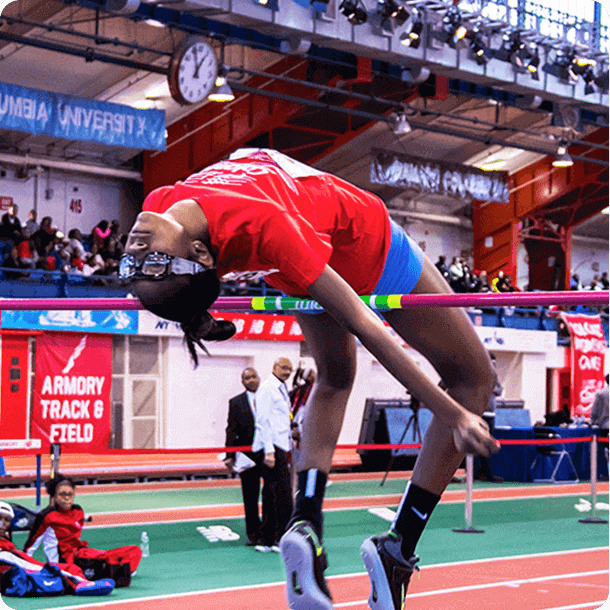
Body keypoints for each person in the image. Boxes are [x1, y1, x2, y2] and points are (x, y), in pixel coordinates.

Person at [121, 148, 499, 610]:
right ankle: (398, 547)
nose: (139, 254)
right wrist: (453, 413)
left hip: (303, 257)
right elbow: (366, 324)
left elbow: (187, 276)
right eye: (154, 263)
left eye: (136, 264)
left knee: (336, 379)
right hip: (366, 248)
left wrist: (194, 311)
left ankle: (305, 521)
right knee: (474, 378)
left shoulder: (163, 203)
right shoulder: (260, 224)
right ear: (199, 254)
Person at [23, 475, 141, 586]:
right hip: (63, 562)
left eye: (70, 494)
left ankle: (118, 569)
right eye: (62, 494)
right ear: (54, 496)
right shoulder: (46, 516)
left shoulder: (78, 511)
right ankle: (115, 571)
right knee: (98, 562)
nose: (67, 498)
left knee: (134, 550)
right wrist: (25, 567)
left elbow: (71, 519)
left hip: (80, 553)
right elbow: (32, 543)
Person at [252, 357, 294, 553]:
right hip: (271, 447)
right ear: (274, 367)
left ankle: (266, 538)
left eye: (290, 369)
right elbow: (262, 421)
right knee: (282, 494)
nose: (287, 371)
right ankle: (278, 538)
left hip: (281, 444)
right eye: (284, 368)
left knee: (271, 493)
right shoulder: (268, 388)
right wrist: (269, 450)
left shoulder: (282, 387)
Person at [223, 367, 266, 547]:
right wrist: (229, 455)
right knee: (250, 496)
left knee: (271, 494)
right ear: (243, 382)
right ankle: (253, 534)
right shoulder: (236, 402)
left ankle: (270, 531)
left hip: (268, 453)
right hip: (246, 456)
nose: (251, 380)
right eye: (247, 378)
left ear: (259, 377)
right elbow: (231, 429)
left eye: (253, 376)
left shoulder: (269, 397)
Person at [475, 353, 504, 483]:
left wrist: (490, 388)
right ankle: (476, 473)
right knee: (477, 444)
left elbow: (499, 390)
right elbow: (478, 389)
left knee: (488, 446)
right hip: (480, 414)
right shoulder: (479, 374)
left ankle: (486, 473)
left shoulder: (494, 376)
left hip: (491, 414)